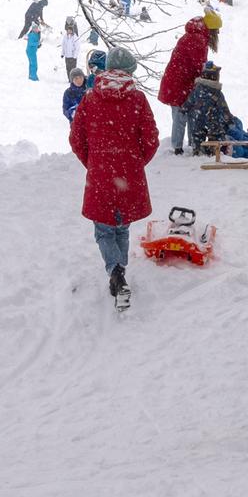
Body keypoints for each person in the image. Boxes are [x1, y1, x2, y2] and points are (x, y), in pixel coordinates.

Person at [69, 50, 158, 309]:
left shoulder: (90, 99)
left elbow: (76, 139)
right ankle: (120, 272)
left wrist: (94, 162)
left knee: (104, 229)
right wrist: (134, 163)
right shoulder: (138, 99)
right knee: (122, 226)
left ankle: (116, 272)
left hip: (100, 174)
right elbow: (150, 138)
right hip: (129, 174)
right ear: (129, 72)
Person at [156, 11, 220, 155]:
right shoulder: (197, 39)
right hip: (179, 84)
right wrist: (208, 72)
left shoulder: (196, 36)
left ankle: (187, 146)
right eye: (217, 32)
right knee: (183, 115)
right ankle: (181, 148)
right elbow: (198, 66)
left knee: (186, 114)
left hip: (179, 83)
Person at [183, 62, 233, 152]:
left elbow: (189, 101)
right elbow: (224, 108)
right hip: (213, 120)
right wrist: (229, 120)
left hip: (198, 119)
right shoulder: (217, 93)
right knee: (216, 133)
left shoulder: (197, 90)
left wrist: (184, 108)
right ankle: (212, 149)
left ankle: (197, 149)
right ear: (214, 77)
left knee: (197, 134)